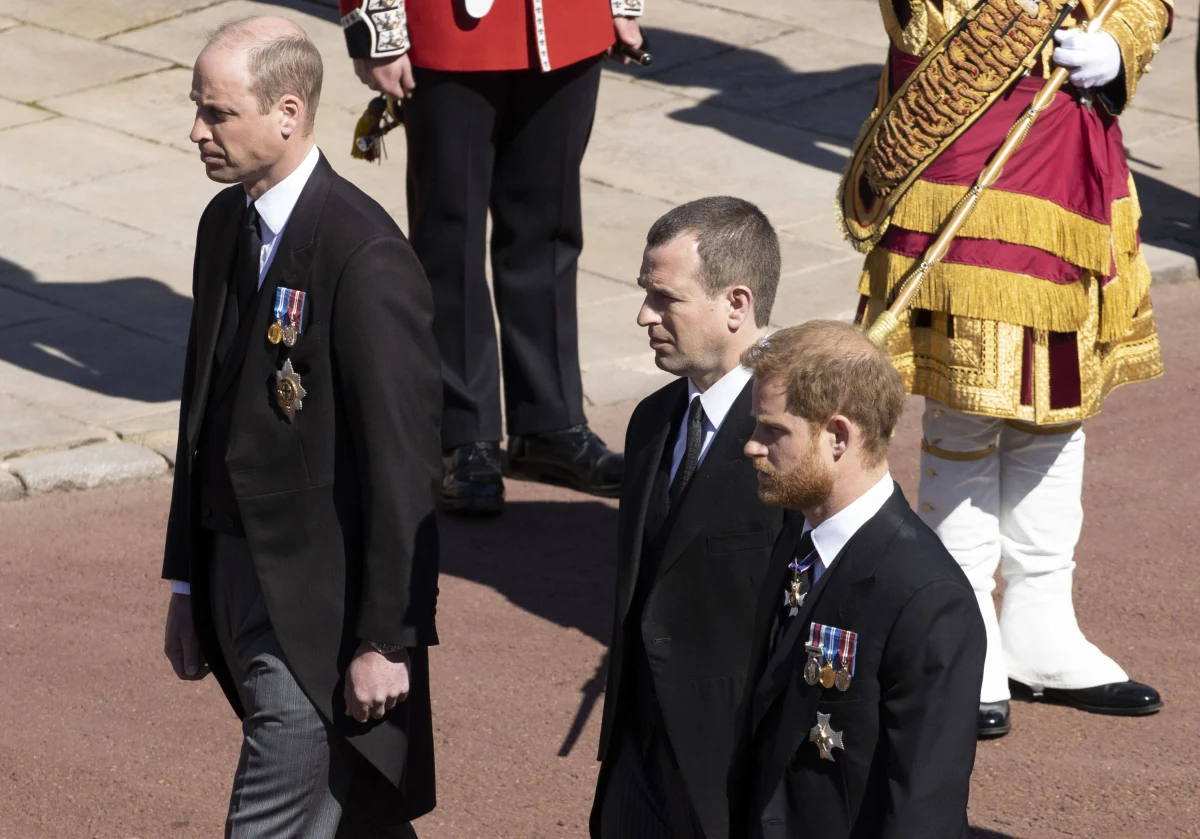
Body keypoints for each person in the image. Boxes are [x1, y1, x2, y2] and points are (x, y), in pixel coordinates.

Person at [841, 0, 1171, 736]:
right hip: (965, 143)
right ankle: (962, 628)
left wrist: (1117, 47)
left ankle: (1040, 621)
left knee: (1060, 395)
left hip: (1071, 144)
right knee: (970, 397)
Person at [161, 18, 441, 837]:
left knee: (272, 821)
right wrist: (185, 580)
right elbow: (200, 415)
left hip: (317, 610)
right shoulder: (225, 226)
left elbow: (403, 464)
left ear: (288, 113)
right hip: (233, 574)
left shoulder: (364, 256)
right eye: (197, 109)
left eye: (217, 113)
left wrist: (387, 637)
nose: (197, 130)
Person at [338, 0, 646, 514]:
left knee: (550, 230)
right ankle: (463, 434)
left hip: (569, 21)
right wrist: (378, 30)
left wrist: (621, 6)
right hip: (450, 31)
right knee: (449, 240)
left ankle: (550, 421)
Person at [731, 321, 985, 839]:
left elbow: (922, 811)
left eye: (773, 431)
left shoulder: (928, 599)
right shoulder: (796, 537)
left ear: (838, 437)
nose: (751, 447)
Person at [590, 197, 789, 839]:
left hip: (732, 769)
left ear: (736, 304)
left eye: (665, 298)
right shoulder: (652, 421)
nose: (645, 315)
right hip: (637, 753)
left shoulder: (796, 439)